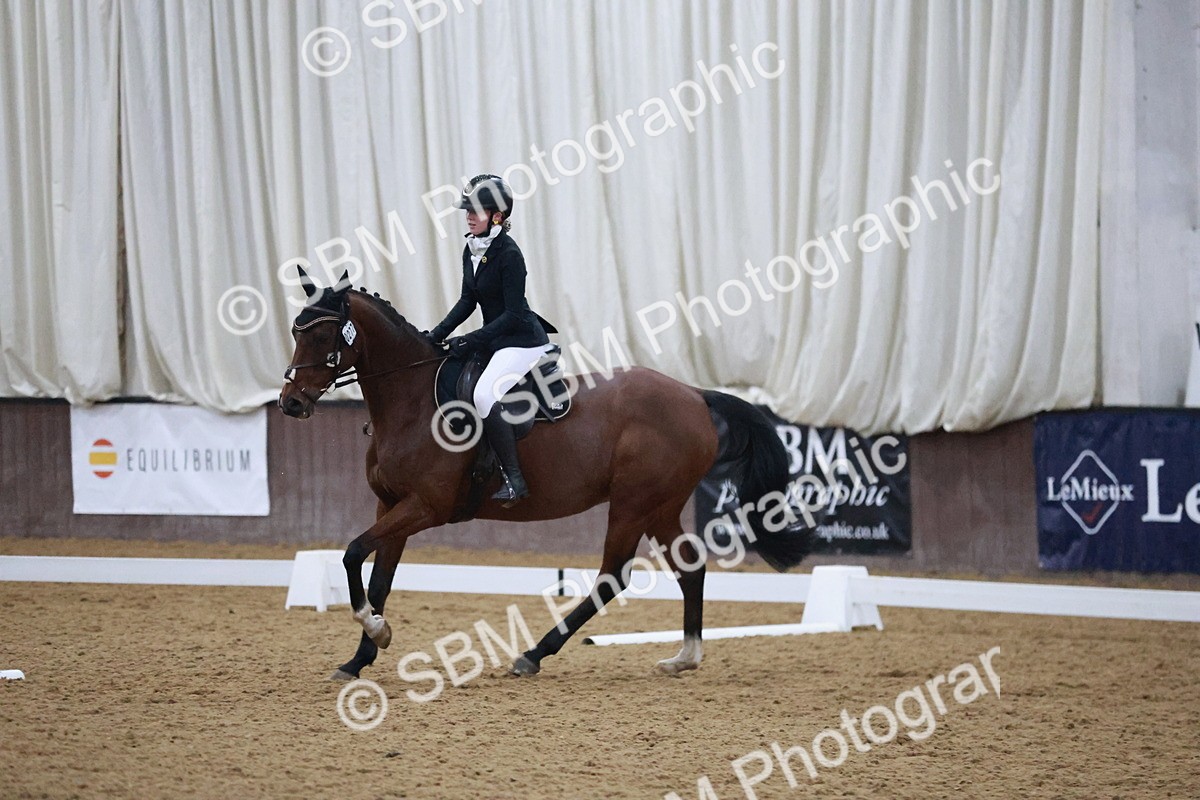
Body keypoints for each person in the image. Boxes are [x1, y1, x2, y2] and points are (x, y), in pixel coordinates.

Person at [426, 174, 557, 507]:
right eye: (466, 210)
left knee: (484, 395)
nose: (468, 216)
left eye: (476, 210)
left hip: (522, 340)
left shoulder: (509, 255)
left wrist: (470, 340)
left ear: (497, 216)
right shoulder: (472, 247)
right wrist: (435, 335)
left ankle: (514, 479)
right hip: (498, 338)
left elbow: (513, 314)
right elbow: (467, 300)